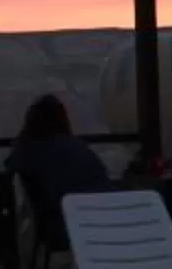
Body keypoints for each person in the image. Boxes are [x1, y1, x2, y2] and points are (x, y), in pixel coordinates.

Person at [6, 93, 111, 242]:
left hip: (57, 227)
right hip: (102, 221)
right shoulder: (80, 149)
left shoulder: (27, 152)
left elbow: (10, 169)